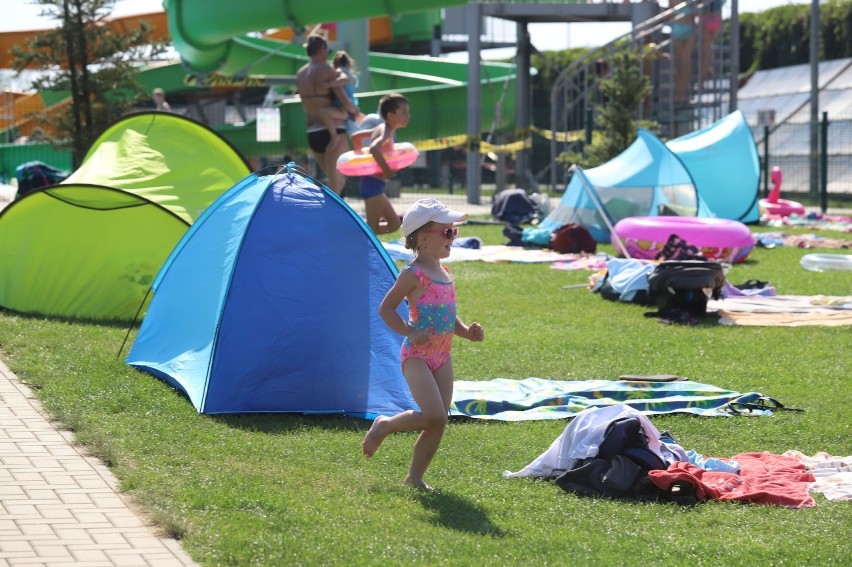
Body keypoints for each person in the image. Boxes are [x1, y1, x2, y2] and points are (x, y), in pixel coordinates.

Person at [363, 198, 485, 490]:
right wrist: (408, 329)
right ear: (421, 237)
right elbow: (386, 309)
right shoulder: (412, 273)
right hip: (417, 355)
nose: (452, 238)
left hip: (443, 356)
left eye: (453, 232)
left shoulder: (445, 273)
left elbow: (447, 316)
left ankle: (414, 477)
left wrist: (466, 332)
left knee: (439, 421)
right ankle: (385, 425)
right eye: (447, 232)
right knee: (433, 414)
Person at [296, 35, 359, 194]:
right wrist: (353, 111)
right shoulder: (326, 69)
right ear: (322, 50)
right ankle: (329, 217)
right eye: (327, 50)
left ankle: (328, 215)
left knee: (332, 182)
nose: (329, 54)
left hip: (312, 132)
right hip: (333, 132)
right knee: (337, 183)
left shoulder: (300, 73)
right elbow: (344, 100)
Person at [349, 92, 410, 234]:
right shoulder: (385, 132)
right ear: (391, 116)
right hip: (372, 184)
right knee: (372, 227)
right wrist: (387, 170)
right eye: (404, 112)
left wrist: (360, 156)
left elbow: (356, 137)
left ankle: (355, 233)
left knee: (394, 224)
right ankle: (351, 235)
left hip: (375, 184)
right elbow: (374, 149)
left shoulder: (382, 128)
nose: (408, 116)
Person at [318, 51, 362, 140]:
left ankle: (334, 136)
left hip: (342, 108)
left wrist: (328, 84)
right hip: (352, 106)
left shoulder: (339, 71)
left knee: (323, 113)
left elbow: (343, 79)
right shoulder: (353, 77)